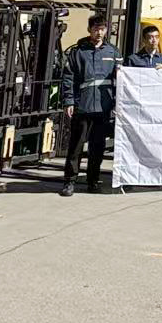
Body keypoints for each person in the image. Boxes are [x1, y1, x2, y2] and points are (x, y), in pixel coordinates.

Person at [58, 13, 117, 196]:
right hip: (82, 106)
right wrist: (69, 101)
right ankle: (69, 181)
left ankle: (93, 181)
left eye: (102, 29)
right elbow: (68, 78)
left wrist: (118, 103)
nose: (99, 33)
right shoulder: (78, 52)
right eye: (96, 29)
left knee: (97, 147)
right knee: (76, 146)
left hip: (103, 107)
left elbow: (122, 78)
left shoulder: (113, 52)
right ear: (89, 30)